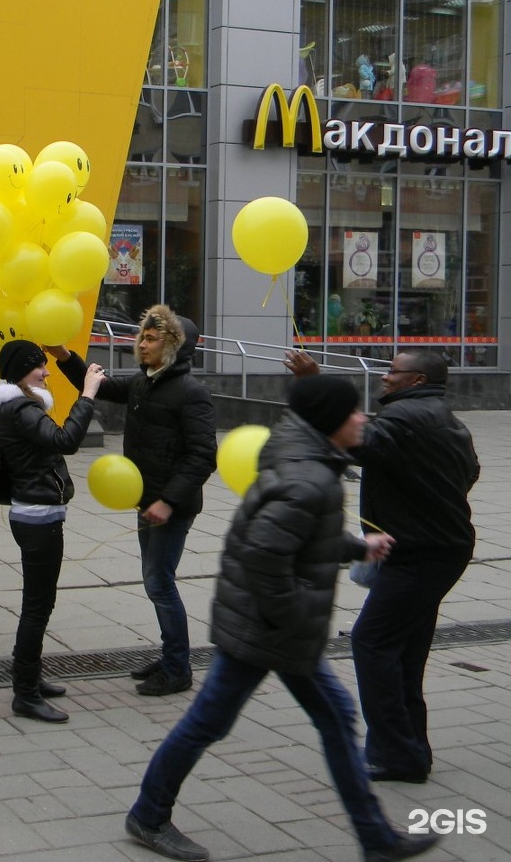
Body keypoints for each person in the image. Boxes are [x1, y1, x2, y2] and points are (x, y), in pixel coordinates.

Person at [124, 376, 436, 862]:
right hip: (266, 629)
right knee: (211, 722)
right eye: (354, 412)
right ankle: (147, 814)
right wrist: (293, 623)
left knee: (332, 718)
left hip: (276, 627)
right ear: (331, 421)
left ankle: (377, 839)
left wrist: (358, 546)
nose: (363, 419)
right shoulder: (307, 478)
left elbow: (296, 540)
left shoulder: (309, 462)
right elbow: (263, 560)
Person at [285, 347, 479, 784]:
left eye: (393, 371)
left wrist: (312, 384)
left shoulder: (404, 420)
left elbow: (353, 441)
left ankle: (397, 754)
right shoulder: (447, 420)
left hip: (421, 554)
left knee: (372, 643)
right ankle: (410, 751)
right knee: (405, 652)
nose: (384, 377)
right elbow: (471, 473)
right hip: (438, 547)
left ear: (417, 381)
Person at [56, 305, 216, 697]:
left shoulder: (191, 393)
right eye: (141, 337)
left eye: (151, 338)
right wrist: (65, 357)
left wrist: (168, 501)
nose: (141, 344)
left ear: (174, 346)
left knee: (159, 582)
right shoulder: (146, 382)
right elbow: (105, 386)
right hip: (147, 500)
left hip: (169, 506)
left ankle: (178, 669)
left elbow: (202, 456)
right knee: (155, 580)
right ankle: (170, 656)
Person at [0, 340, 105, 723]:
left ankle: (31, 677)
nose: (47, 372)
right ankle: (25, 693)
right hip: (38, 517)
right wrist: (87, 394)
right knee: (37, 606)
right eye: (40, 367)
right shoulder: (20, 407)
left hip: (35, 513)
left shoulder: (16, 405)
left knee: (40, 602)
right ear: (22, 371)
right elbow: (65, 442)